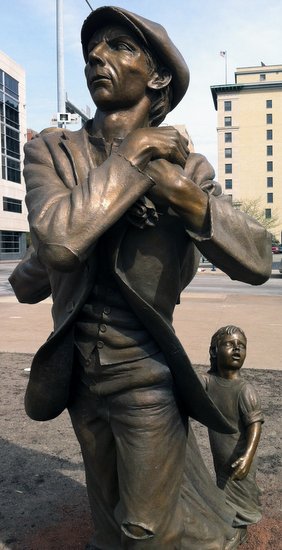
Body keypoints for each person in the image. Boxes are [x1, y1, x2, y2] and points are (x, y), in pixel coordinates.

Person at [9, 6, 272, 549]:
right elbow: (57, 241)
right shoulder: (50, 153)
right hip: (79, 374)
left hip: (145, 376)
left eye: (117, 46)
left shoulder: (189, 169)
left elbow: (257, 262)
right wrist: (134, 154)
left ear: (157, 77)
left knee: (147, 531)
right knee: (106, 519)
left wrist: (186, 198)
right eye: (92, 49)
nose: (95, 57)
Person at [200, 326, 264, 548]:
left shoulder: (245, 390)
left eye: (242, 345)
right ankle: (228, 526)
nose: (237, 348)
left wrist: (247, 457)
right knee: (223, 493)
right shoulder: (209, 382)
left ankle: (239, 533)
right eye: (229, 343)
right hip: (221, 456)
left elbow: (255, 425)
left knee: (240, 496)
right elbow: (193, 388)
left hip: (241, 455)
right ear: (214, 351)